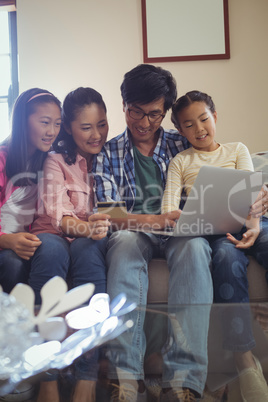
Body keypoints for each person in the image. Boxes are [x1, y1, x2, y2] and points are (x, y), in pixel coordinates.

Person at [94, 64, 214, 401]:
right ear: (124, 105)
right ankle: (126, 378)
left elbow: (223, 173)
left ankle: (184, 381)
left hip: (182, 231)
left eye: (155, 114)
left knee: (195, 248)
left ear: (166, 114)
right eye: (136, 112)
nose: (144, 123)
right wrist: (154, 221)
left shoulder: (183, 145)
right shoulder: (108, 152)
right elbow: (108, 212)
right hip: (135, 232)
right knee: (124, 245)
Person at [162, 90, 268, 402]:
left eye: (204, 119)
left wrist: (253, 225)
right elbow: (169, 208)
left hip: (251, 222)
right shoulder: (181, 161)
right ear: (180, 131)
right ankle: (244, 360)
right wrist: (178, 217)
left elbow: (252, 193)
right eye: (188, 125)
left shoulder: (237, 149)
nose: (199, 128)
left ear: (215, 116)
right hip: (214, 232)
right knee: (225, 257)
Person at [30, 87, 111, 402]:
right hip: (53, 232)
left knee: (86, 250)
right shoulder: (55, 161)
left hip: (91, 239)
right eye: (86, 127)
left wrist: (93, 231)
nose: (97, 135)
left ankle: (86, 377)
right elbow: (59, 216)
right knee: (50, 250)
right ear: (69, 128)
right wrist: (86, 228)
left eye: (102, 124)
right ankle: (47, 376)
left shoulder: (112, 157)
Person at [0, 88, 61, 293]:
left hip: (31, 242)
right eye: (44, 122)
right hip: (5, 245)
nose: (52, 131)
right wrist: (7, 240)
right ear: (22, 122)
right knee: (12, 263)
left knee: (52, 251)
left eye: (57, 124)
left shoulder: (50, 159)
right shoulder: (3, 159)